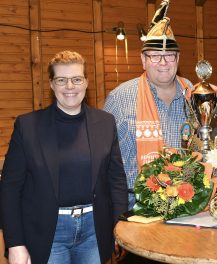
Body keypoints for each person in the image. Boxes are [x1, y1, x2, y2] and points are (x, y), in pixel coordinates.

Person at [0, 50, 128, 264]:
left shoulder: (106, 123)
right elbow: (10, 188)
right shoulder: (28, 126)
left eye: (77, 79)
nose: (70, 86)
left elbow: (116, 181)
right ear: (51, 84)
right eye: (62, 80)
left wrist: (120, 227)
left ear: (86, 82)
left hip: (94, 232)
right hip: (47, 233)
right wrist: (15, 243)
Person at [103, 0, 192, 209]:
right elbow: (102, 157)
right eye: (155, 56)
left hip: (187, 204)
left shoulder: (193, 94)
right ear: (143, 60)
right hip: (134, 206)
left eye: (169, 55)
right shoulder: (119, 98)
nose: (163, 63)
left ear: (178, 58)